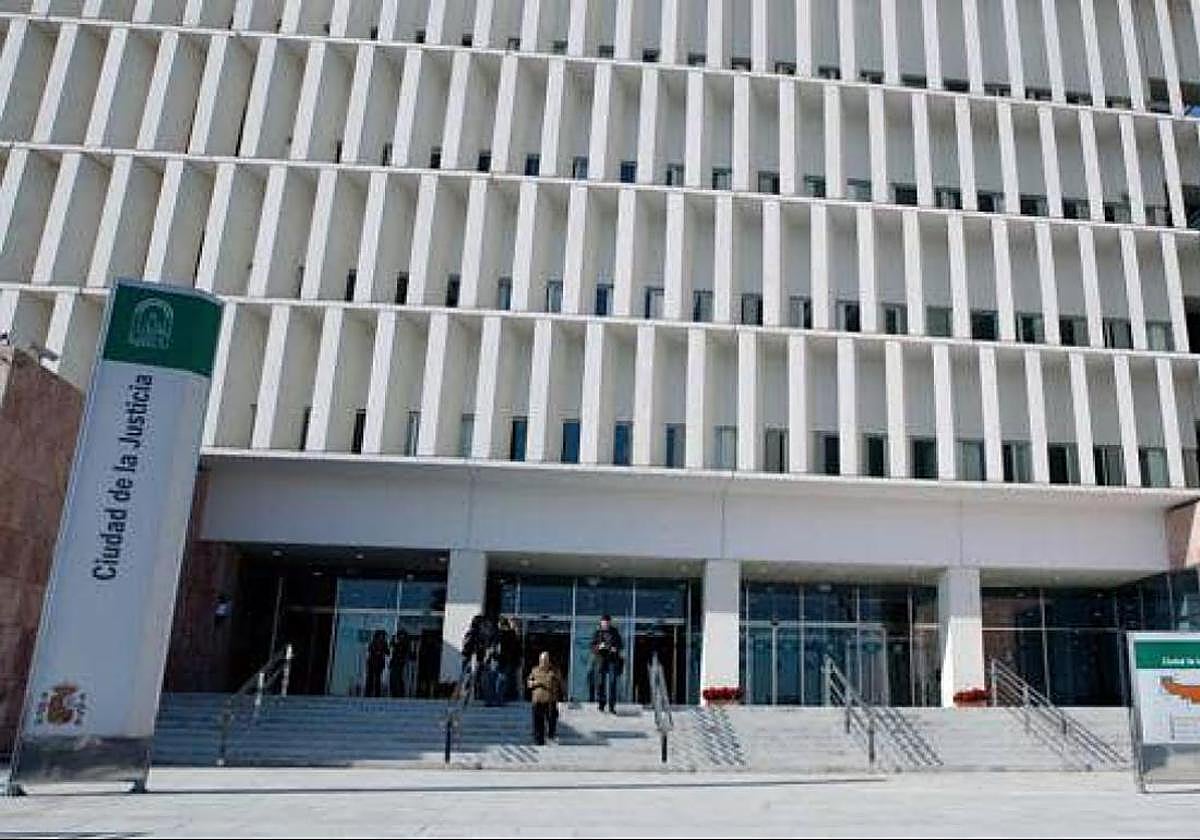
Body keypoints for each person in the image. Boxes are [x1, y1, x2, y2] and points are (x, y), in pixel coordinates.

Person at [527, 651, 563, 746]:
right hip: (537, 700)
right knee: (538, 721)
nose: (543, 662)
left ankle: (550, 737)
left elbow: (558, 683)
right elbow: (529, 683)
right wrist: (537, 683)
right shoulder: (534, 670)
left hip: (550, 700)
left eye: (545, 660)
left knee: (551, 720)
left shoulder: (554, 671)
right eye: (542, 660)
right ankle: (538, 740)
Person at [590, 614, 623, 713]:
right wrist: (599, 647)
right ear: (601, 623)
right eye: (604, 623)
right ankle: (601, 703)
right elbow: (592, 646)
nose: (605, 624)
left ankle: (612, 706)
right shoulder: (597, 633)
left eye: (607, 623)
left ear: (610, 623)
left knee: (612, 682)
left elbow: (620, 644)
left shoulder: (615, 632)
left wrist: (615, 648)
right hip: (601, 659)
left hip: (612, 659)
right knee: (601, 682)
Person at [495, 617, 520, 705]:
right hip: (506, 660)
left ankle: (502, 698)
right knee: (503, 680)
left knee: (503, 680)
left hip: (504, 660)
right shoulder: (509, 634)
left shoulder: (502, 634)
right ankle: (501, 698)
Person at [365, 629, 390, 698]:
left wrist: (382, 651)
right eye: (380, 635)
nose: (381, 637)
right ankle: (369, 692)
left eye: (382, 635)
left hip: (379, 663)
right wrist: (377, 651)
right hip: (373, 663)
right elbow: (370, 649)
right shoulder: (373, 642)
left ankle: (376, 693)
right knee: (371, 678)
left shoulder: (384, 643)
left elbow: (387, 652)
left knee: (377, 679)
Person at [389, 627, 409, 698]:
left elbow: (402, 652)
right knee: (394, 677)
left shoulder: (404, 644)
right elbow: (392, 648)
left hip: (399, 663)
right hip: (395, 663)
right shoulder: (399, 643)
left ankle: (399, 692)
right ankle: (395, 692)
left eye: (401, 636)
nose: (400, 637)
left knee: (398, 677)